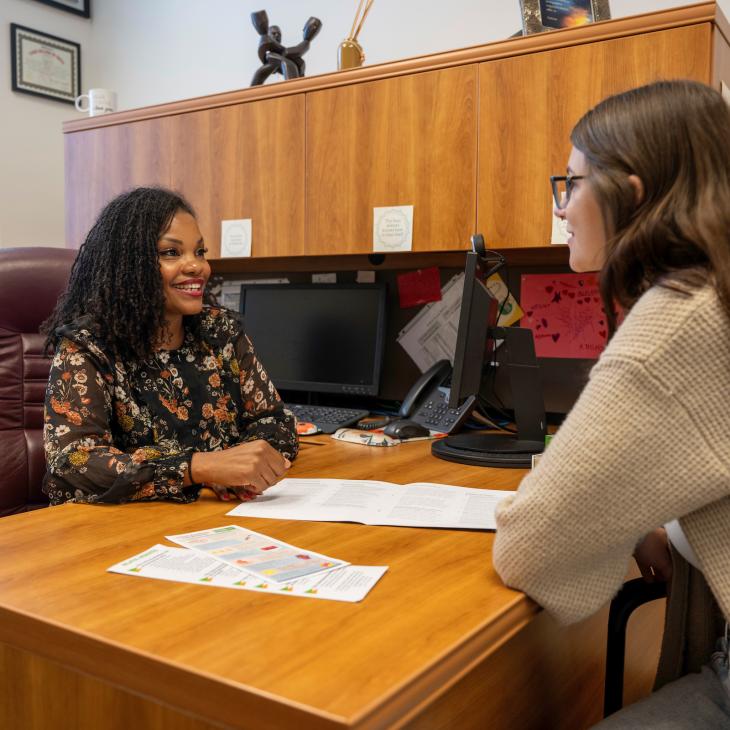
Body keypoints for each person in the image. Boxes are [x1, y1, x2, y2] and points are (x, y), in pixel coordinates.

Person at [492, 79, 730, 727]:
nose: (563, 209)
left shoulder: (679, 318)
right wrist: (653, 524)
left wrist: (615, 519)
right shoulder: (718, 293)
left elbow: (531, 549)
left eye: (571, 184)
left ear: (631, 195)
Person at [42, 187, 298, 506]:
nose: (197, 267)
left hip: (218, 519)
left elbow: (275, 422)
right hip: (121, 531)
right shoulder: (88, 346)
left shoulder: (222, 331)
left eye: (200, 252)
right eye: (171, 253)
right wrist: (200, 468)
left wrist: (245, 467)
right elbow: (73, 463)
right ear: (129, 265)